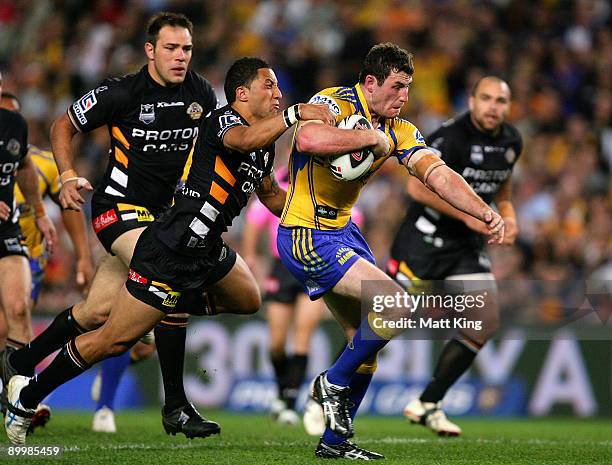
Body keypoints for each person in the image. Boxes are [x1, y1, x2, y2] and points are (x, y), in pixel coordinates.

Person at [4, 56, 335, 445]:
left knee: (248, 298)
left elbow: (273, 197)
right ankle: (26, 398)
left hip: (206, 249)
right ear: (242, 93)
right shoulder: (225, 122)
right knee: (110, 339)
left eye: (280, 88)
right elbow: (245, 140)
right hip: (171, 248)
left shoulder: (264, 148)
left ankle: (164, 314)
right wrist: (297, 113)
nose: (278, 94)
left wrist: (325, 216)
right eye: (270, 85)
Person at [276, 42, 505, 460]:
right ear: (370, 82)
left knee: (362, 341)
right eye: (397, 87)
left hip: (344, 233)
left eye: (408, 89)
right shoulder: (335, 101)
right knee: (395, 305)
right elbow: (306, 138)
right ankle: (330, 383)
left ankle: (334, 442)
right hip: (305, 232)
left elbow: (436, 174)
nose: (404, 97)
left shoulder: (399, 128)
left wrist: (482, 210)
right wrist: (368, 138)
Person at [0, 12, 222, 438]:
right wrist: (66, 176)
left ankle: (21, 363)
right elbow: (62, 125)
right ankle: (175, 404)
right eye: (171, 49)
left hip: (165, 218)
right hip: (118, 210)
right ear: (150, 51)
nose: (180, 57)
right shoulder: (122, 92)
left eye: (187, 49)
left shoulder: (201, 94)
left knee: (97, 311)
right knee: (169, 271)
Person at [386, 76, 522, 436]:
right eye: (487, 98)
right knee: (382, 323)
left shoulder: (511, 141)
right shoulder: (451, 136)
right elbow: (416, 185)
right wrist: (470, 216)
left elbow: (502, 185)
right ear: (472, 100)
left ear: (509, 106)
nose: (494, 107)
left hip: (465, 246)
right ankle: (331, 390)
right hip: (423, 240)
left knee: (484, 320)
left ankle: (428, 402)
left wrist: (507, 215)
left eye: (501, 101)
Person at [0, 91, 94, 432]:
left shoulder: (28, 149)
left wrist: (82, 256)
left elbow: (68, 204)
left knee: (17, 313)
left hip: (14, 243)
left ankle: (22, 402)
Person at [242, 167, 327, 426]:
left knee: (302, 339)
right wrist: (250, 255)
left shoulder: (326, 181)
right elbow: (255, 220)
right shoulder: (278, 180)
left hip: (315, 267)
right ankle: (282, 391)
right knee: (276, 343)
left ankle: (290, 404)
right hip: (283, 267)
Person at [0, 74, 57, 413]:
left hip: (5, 231)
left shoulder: (13, 125)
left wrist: (39, 211)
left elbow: (23, 166)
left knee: (19, 310)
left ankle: (20, 404)